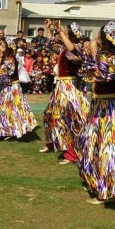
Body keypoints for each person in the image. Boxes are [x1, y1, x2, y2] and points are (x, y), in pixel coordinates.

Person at [63, 21, 115, 203]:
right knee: (88, 143)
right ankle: (98, 180)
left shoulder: (114, 59)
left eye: (99, 36)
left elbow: (95, 74)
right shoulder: (105, 56)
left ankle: (109, 191)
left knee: (109, 148)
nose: (96, 39)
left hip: (111, 110)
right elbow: (83, 64)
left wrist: (91, 55)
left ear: (105, 39)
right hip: (100, 107)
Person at [40, 19, 89, 165]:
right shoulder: (64, 48)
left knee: (67, 119)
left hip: (69, 87)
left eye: (66, 31)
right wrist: (49, 29)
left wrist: (59, 31)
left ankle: (71, 153)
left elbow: (72, 49)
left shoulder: (77, 48)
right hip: (61, 86)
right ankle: (51, 142)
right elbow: (50, 44)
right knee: (49, 114)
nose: (63, 32)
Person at [0, 43, 37, 140]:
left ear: (8, 48)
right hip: (7, 87)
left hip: (12, 87)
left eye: (2, 46)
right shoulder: (4, 59)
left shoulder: (10, 59)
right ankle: (5, 130)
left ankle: (11, 130)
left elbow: (1, 74)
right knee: (2, 109)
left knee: (12, 110)